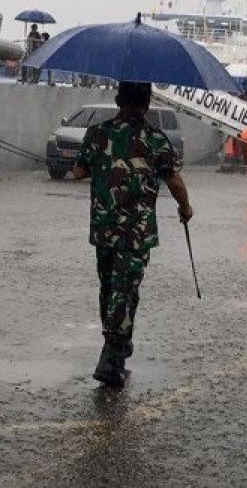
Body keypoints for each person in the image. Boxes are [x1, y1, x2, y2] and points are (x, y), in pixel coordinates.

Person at [72, 81, 193, 388]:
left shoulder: (98, 133)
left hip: (104, 228)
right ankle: (112, 355)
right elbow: (174, 181)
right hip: (135, 232)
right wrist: (186, 208)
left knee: (109, 286)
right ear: (147, 103)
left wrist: (105, 167)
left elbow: (78, 171)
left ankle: (116, 346)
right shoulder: (154, 139)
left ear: (118, 99)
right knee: (125, 290)